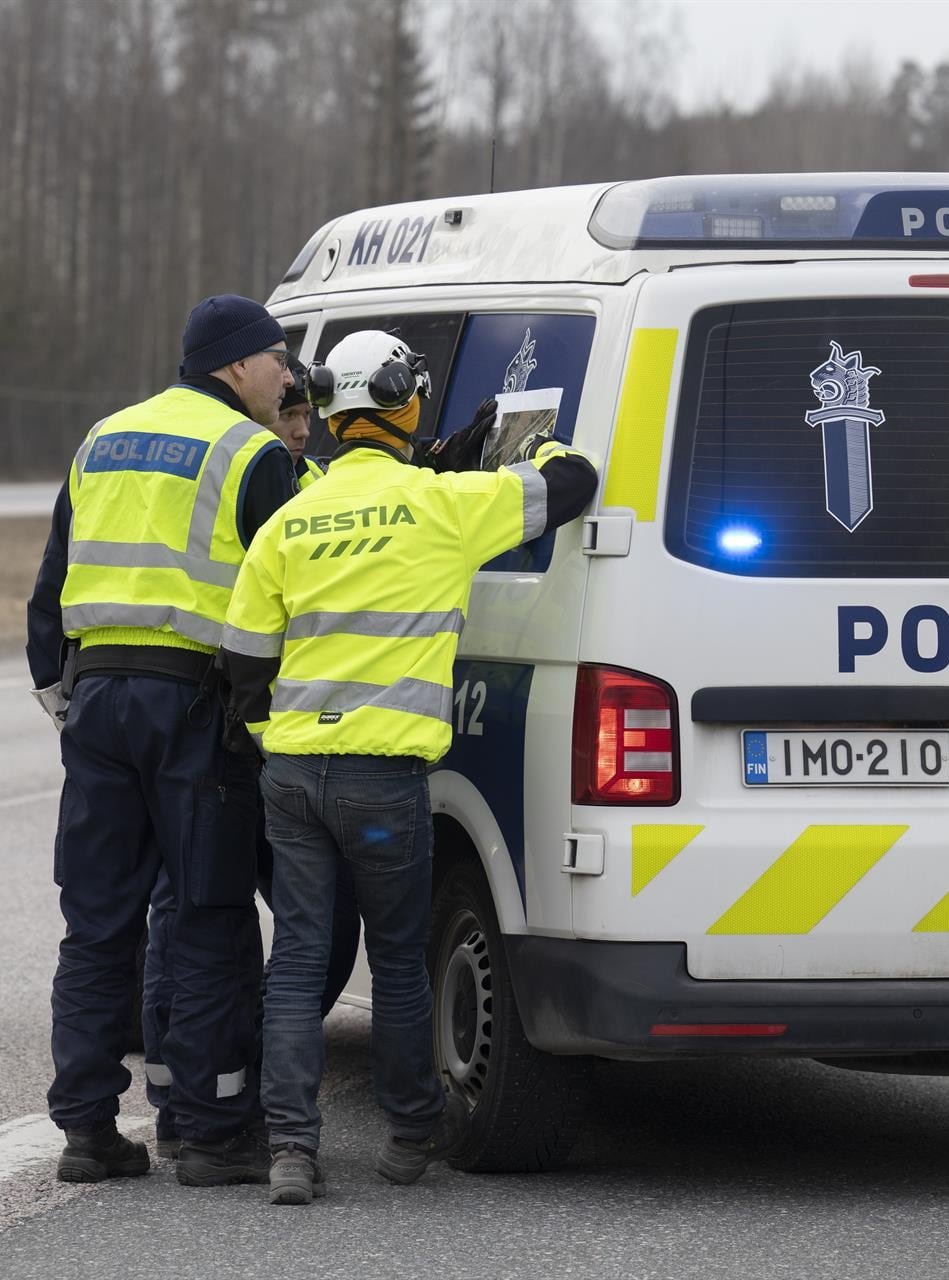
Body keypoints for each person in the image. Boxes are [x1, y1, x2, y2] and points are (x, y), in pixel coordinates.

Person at [219, 329, 599, 1205]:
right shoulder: (444, 506)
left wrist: (283, 737)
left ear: (330, 408)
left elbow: (243, 664)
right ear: (405, 402)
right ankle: (406, 1137)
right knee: (396, 961)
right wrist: (540, 445)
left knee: (298, 960)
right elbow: (572, 486)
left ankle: (291, 1149)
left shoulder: (290, 519)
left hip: (295, 775)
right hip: (385, 782)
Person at [24, 294, 305, 1187]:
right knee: (209, 915)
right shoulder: (252, 453)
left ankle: (87, 1131)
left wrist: (66, 706)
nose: (288, 375)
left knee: (97, 922)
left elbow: (50, 590)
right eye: (278, 358)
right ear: (236, 364)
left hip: (100, 699)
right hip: (194, 707)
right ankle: (213, 1131)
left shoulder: (101, 439)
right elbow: (292, 595)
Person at [144, 376, 360, 1163]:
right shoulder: (243, 468)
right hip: (240, 741)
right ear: (252, 407)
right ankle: (198, 1101)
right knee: (207, 918)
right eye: (287, 412)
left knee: (205, 916)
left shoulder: (312, 481)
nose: (299, 428)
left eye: (308, 415)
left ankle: (209, 1089)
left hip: (262, 742)